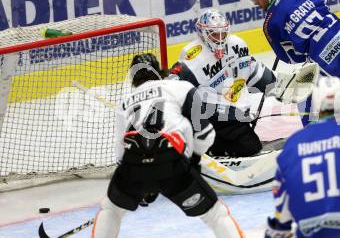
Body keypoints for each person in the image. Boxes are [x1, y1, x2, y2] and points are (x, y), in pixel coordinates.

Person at [91, 53, 244, 238]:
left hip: (134, 164)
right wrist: (193, 161)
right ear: (160, 71)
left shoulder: (125, 102)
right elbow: (205, 134)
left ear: (133, 77)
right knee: (215, 214)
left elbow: (121, 154)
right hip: (171, 160)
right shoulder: (181, 87)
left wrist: (142, 182)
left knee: (111, 210)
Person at [169, 8, 319, 157]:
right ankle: (203, 149)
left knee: (249, 144)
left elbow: (252, 70)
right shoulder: (193, 55)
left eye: (223, 33)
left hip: (233, 113)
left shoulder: (236, 44)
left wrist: (281, 85)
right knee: (249, 147)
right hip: (210, 116)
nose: (220, 38)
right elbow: (173, 83)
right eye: (214, 34)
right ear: (202, 33)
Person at [264, 76, 340, 238]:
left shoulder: (292, 144)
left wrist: (279, 227)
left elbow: (282, 203)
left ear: (315, 103)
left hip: (311, 230)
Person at [245, 0, 340, 126]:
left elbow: (291, 58)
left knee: (302, 94)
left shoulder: (270, 24)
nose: (256, 3)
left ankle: (314, 132)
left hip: (328, 67)